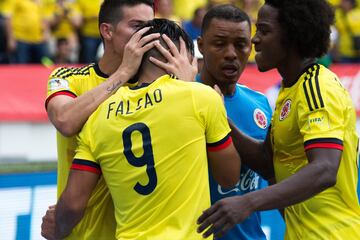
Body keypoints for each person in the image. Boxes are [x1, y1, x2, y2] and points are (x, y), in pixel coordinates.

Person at [53, 18, 241, 239]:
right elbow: (229, 178)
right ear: (183, 57)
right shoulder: (200, 97)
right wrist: (192, 89)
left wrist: (57, 229)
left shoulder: (97, 116)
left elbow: (73, 204)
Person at [197, 0, 360, 239]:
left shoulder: (318, 87)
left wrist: (247, 202)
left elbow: (325, 169)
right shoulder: (289, 91)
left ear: (291, 35)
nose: (255, 40)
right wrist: (218, 116)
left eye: (264, 30)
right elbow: (267, 162)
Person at [41, 0, 197, 239]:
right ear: (107, 31)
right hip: (78, 233)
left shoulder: (162, 84)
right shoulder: (68, 77)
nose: (147, 34)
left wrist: (186, 86)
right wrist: (124, 72)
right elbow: (65, 121)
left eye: (150, 26)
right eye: (137, 26)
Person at [197, 5, 272, 240]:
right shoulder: (181, 101)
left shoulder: (260, 104)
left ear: (250, 47)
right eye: (219, 44)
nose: (231, 54)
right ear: (200, 46)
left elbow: (272, 175)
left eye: (240, 45)